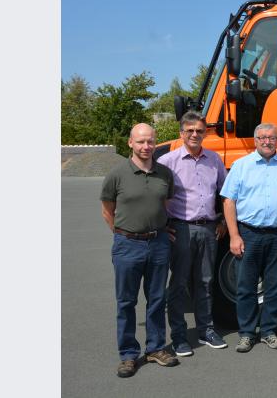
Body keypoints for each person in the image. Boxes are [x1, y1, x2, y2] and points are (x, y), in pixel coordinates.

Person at [100, 123, 180, 378]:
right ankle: (128, 354)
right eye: (141, 142)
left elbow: (163, 205)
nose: (146, 147)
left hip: (158, 244)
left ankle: (155, 348)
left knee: (157, 300)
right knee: (126, 302)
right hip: (127, 245)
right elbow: (107, 210)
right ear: (130, 143)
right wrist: (124, 234)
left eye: (150, 142)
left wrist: (158, 229)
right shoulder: (116, 174)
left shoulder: (164, 174)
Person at [157, 111, 228, 356]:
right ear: (181, 133)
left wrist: (223, 222)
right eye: (190, 130)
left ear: (205, 132)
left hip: (208, 229)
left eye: (199, 130)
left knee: (205, 283)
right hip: (181, 229)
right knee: (178, 285)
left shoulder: (214, 160)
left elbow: (224, 193)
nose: (195, 134)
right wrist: (164, 225)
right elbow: (158, 196)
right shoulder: (168, 162)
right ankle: (178, 336)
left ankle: (206, 330)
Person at [220, 123, 277, 353]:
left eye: (271, 137)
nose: (267, 141)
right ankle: (246, 333)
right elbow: (228, 201)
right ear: (255, 140)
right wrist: (234, 235)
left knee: (275, 286)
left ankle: (269, 331)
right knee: (246, 286)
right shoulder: (242, 166)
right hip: (249, 233)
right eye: (262, 137)